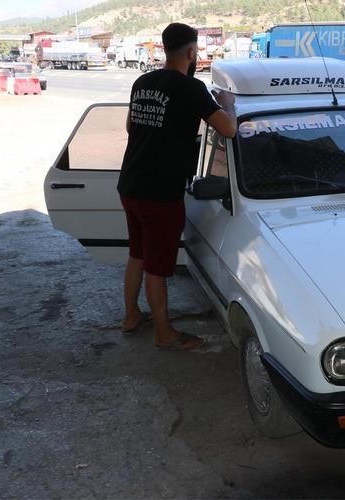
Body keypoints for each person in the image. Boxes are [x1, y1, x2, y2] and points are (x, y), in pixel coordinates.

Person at [117, 23, 237, 351]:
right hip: (161, 193)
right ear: (191, 52)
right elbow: (228, 129)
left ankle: (131, 317)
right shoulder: (190, 88)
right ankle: (164, 333)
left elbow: (131, 125)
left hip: (130, 184)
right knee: (157, 267)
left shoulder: (142, 81)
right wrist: (227, 104)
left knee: (137, 255)